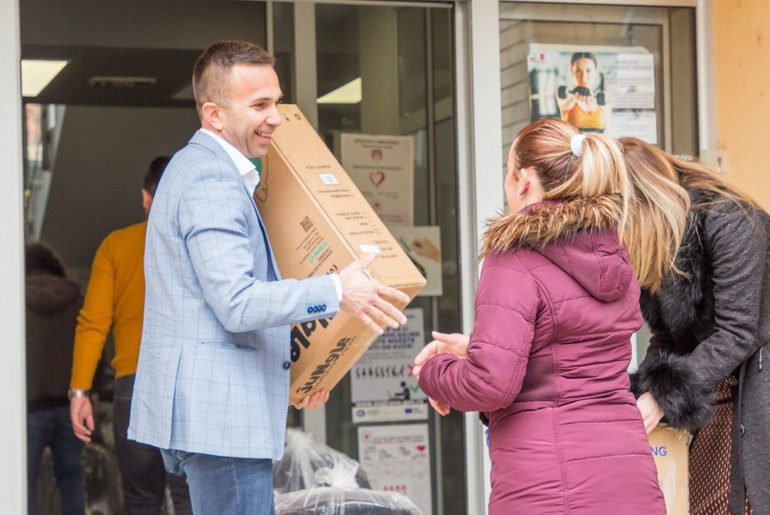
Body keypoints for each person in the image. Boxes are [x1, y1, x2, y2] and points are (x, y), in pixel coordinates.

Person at [127, 40, 409, 515]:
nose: (276, 116)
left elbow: (216, 306)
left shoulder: (203, 170)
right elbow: (237, 303)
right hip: (222, 420)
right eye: (259, 105)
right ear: (214, 115)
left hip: (217, 416)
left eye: (275, 101)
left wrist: (302, 372)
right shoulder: (211, 180)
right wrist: (340, 289)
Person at [412, 118, 665, 514]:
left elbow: (492, 384)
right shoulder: (613, 251)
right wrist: (477, 348)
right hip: (629, 477)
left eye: (507, 171)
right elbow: (568, 354)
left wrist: (434, 372)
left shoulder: (514, 256)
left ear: (524, 180)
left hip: (548, 486)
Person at [621, 137, 770, 514]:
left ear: (643, 201)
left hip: (757, 387)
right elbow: (666, 336)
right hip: (716, 388)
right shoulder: (661, 238)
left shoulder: (731, 220)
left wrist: (661, 394)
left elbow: (739, 333)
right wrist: (646, 388)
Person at [69, 156, 192, 515]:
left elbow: (93, 323)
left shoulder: (116, 246)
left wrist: (80, 390)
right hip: (190, 380)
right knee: (192, 496)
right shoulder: (201, 243)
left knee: (141, 498)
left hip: (135, 384)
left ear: (145, 197)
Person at [25, 242, 85, 515]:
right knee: (72, 481)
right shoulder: (74, 297)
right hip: (69, 404)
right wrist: (88, 391)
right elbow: (89, 344)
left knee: (24, 484)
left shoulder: (12, 297)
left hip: (28, 409)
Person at [557, 52, 609, 133]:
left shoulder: (602, 101)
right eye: (578, 71)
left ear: (595, 71)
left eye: (588, 71)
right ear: (572, 71)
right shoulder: (565, 97)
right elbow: (564, 106)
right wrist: (575, 97)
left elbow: (608, 131)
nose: (584, 77)